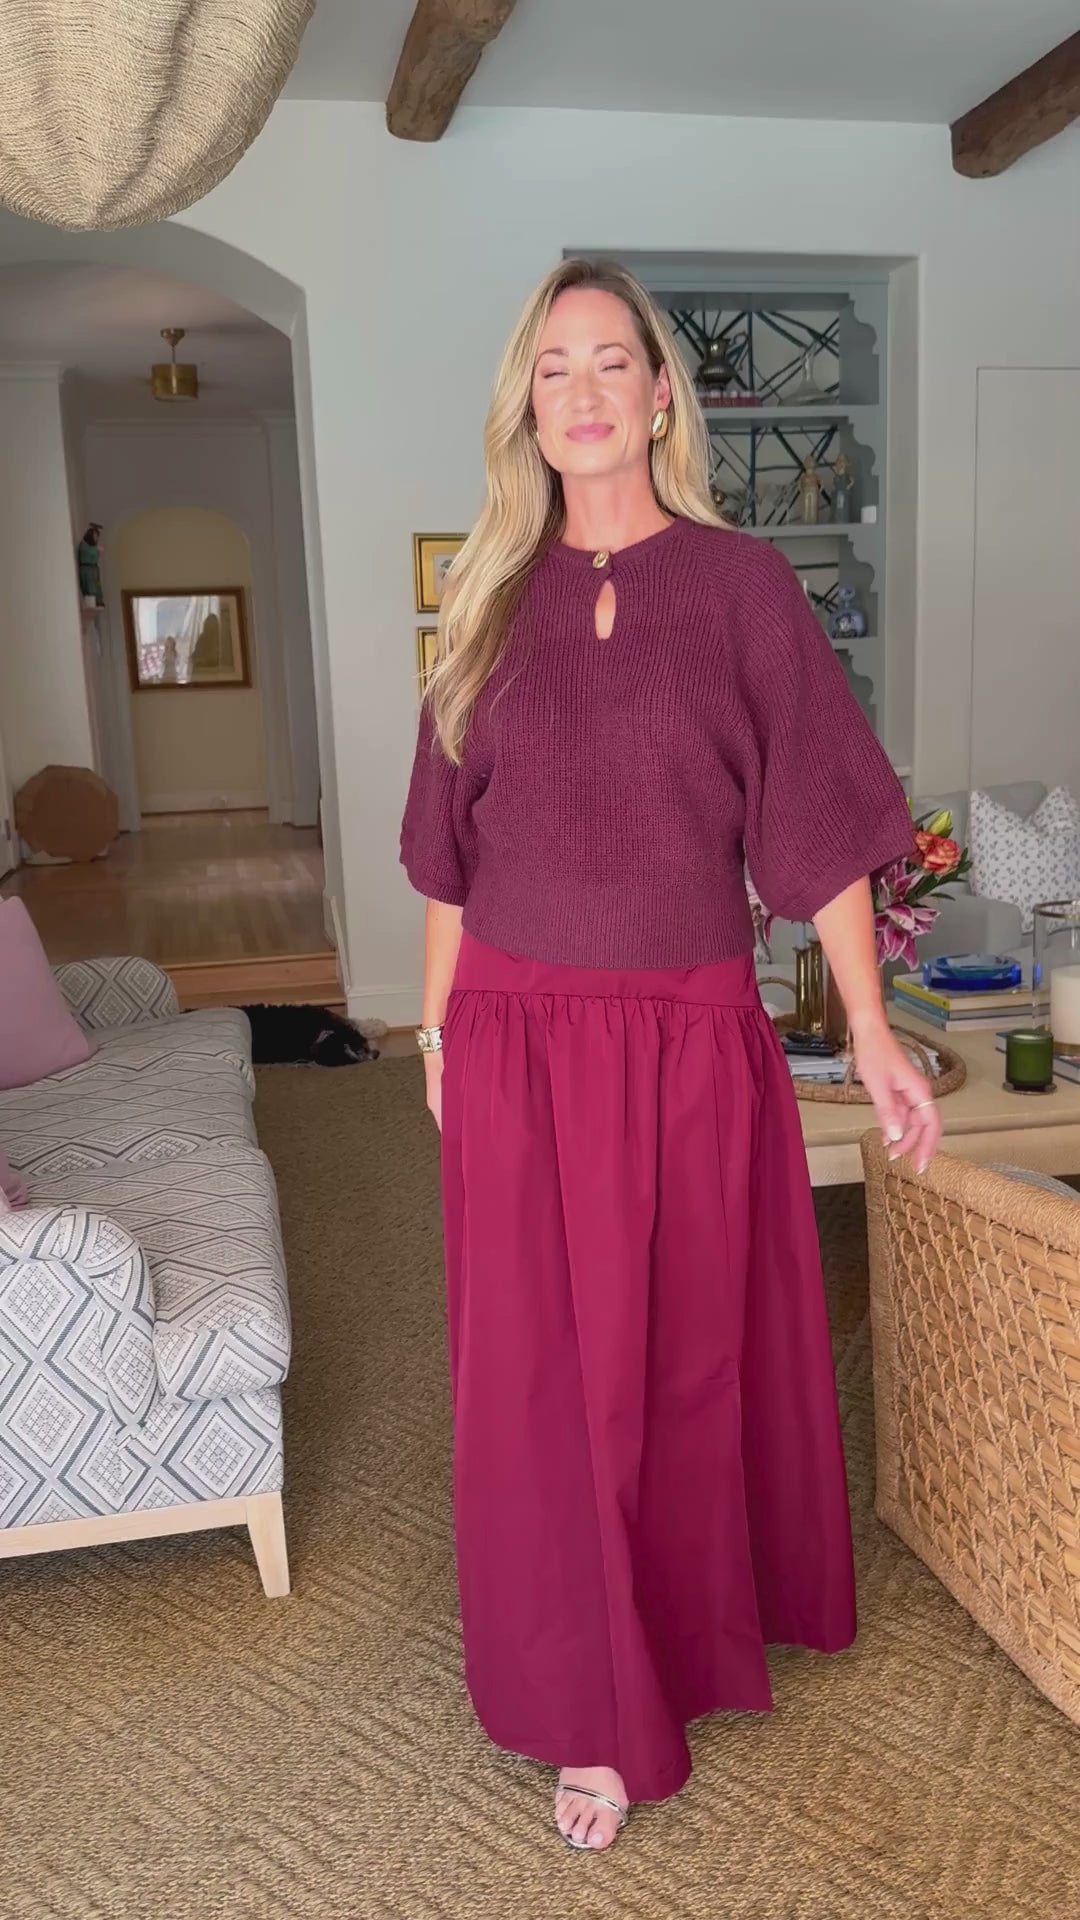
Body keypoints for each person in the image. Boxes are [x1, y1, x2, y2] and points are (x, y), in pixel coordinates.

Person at [399, 258, 942, 1854]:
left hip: (692, 1037)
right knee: (542, 1381)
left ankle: (686, 1635)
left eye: (609, 360)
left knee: (682, 1359)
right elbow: (445, 859)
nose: (581, 390)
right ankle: (590, 1704)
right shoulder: (485, 604)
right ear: (528, 407)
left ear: (656, 396)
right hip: (512, 1035)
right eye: (551, 366)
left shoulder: (743, 589)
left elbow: (819, 830)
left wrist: (873, 1031)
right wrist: (435, 1033)